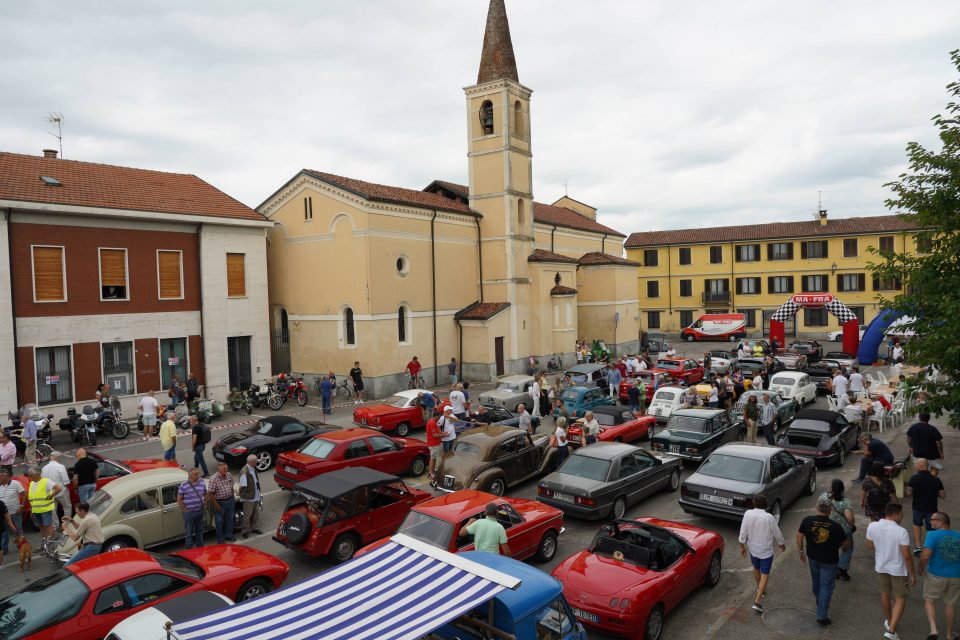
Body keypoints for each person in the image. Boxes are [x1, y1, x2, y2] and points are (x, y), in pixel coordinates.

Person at [866, 503, 917, 640]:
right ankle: (892, 631)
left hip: (881, 567)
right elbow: (906, 556)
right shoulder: (901, 531)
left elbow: (870, 546)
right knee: (900, 598)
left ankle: (890, 622)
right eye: (901, 514)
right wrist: (912, 574)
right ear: (894, 515)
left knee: (884, 595)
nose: (902, 516)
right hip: (898, 570)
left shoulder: (872, 526)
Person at [797, 497, 849, 626]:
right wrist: (844, 548)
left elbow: (799, 535)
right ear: (830, 511)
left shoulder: (807, 520)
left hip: (813, 557)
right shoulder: (836, 527)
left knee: (816, 581)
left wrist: (801, 552)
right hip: (829, 561)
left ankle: (820, 600)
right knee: (826, 586)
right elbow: (845, 543)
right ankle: (821, 615)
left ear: (817, 508)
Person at [739, 495, 786, 613]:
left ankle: (760, 588)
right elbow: (777, 533)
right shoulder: (769, 518)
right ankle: (757, 601)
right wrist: (781, 544)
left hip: (753, 549)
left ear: (754, 503)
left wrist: (742, 546)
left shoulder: (748, 514)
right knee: (765, 573)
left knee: (755, 568)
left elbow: (743, 532)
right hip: (766, 551)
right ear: (765, 505)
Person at [919, 512, 960, 640]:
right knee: (950, 604)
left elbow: (925, 555)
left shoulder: (932, 535)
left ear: (941, 522)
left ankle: (933, 630)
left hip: (936, 575)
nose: (930, 522)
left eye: (932, 520)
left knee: (929, 600)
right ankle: (949, 635)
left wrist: (920, 566)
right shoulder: (959, 536)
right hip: (956, 576)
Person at [907, 458, 945, 555]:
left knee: (916, 525)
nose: (915, 466)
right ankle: (930, 547)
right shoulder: (936, 480)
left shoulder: (913, 478)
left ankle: (918, 547)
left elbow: (909, 492)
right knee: (932, 528)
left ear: (921, 466)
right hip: (931, 508)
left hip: (917, 508)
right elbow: (942, 495)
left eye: (916, 464)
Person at [821, 479, 857, 581]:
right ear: (842, 489)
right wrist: (852, 524)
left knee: (833, 548)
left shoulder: (824, 497)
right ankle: (842, 569)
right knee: (848, 548)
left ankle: (832, 568)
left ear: (831, 488)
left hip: (829, 528)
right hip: (843, 530)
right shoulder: (845, 501)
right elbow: (849, 519)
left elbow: (818, 508)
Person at [27, 466, 62, 547]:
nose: (29, 477)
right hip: (36, 509)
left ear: (36, 475)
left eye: (30, 475)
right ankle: (45, 544)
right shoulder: (32, 483)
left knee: (48, 526)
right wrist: (32, 509)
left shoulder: (46, 481)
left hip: (45, 509)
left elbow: (58, 488)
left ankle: (52, 544)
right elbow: (33, 497)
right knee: (42, 527)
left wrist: (51, 495)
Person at [61, 501, 103, 566]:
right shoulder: (92, 515)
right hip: (94, 546)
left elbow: (74, 538)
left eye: (77, 512)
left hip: (91, 548)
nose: (77, 514)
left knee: (67, 566)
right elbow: (80, 528)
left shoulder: (86, 520)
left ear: (82, 511)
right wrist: (72, 521)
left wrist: (66, 528)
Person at [177, 467, 206, 549]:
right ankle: (189, 549)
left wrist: (205, 503)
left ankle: (200, 547)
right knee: (189, 532)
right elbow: (179, 499)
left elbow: (205, 493)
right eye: (196, 474)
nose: (198, 475)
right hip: (189, 513)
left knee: (200, 531)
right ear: (190, 475)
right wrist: (186, 510)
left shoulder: (202, 482)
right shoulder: (184, 485)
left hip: (200, 511)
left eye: (198, 473)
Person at [207, 462, 236, 544]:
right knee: (219, 522)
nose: (226, 470)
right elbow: (210, 493)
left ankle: (229, 535)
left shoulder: (229, 475)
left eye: (226, 468)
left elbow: (232, 485)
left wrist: (233, 496)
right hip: (220, 503)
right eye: (224, 468)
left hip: (230, 500)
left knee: (229, 519)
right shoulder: (213, 479)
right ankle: (220, 539)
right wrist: (216, 504)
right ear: (218, 469)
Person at [907, 412, 944, 476]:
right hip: (931, 454)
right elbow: (938, 443)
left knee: (920, 468)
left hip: (917, 452)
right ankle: (931, 480)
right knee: (934, 468)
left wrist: (910, 447)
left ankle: (922, 480)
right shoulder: (932, 429)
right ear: (928, 419)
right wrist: (941, 453)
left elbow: (909, 438)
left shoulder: (913, 427)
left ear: (919, 418)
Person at [41, 451, 71, 523]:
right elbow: (66, 481)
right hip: (61, 491)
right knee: (67, 507)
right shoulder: (61, 466)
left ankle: (55, 525)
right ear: (57, 457)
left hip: (50, 493)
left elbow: (43, 481)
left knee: (53, 510)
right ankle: (66, 523)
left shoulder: (44, 468)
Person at [0, 469, 24, 556]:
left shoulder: (15, 483)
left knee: (18, 529)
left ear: (6, 476)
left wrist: (21, 505)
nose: (0, 478)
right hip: (3, 514)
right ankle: (4, 548)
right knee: (4, 531)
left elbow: (24, 494)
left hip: (15, 512)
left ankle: (20, 545)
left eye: (1, 476)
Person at [238, 454, 262, 538]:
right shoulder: (244, 471)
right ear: (253, 462)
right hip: (249, 497)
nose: (256, 463)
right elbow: (242, 485)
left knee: (256, 513)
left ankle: (254, 528)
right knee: (247, 515)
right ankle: (245, 531)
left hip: (255, 495)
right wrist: (241, 494)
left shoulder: (252, 468)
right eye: (256, 461)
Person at [0, 486, 19, 568]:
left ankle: (0, 564)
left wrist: (10, 524)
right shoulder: (1, 503)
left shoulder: (0, 503)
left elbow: (6, 513)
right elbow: (6, 513)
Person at [425, 414, 443, 479]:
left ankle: (432, 471)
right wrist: (444, 435)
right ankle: (430, 473)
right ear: (436, 416)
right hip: (433, 444)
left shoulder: (434, 422)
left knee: (434, 458)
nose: (439, 419)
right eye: (439, 417)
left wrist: (442, 433)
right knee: (432, 459)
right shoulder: (432, 423)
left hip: (435, 444)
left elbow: (438, 431)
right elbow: (434, 435)